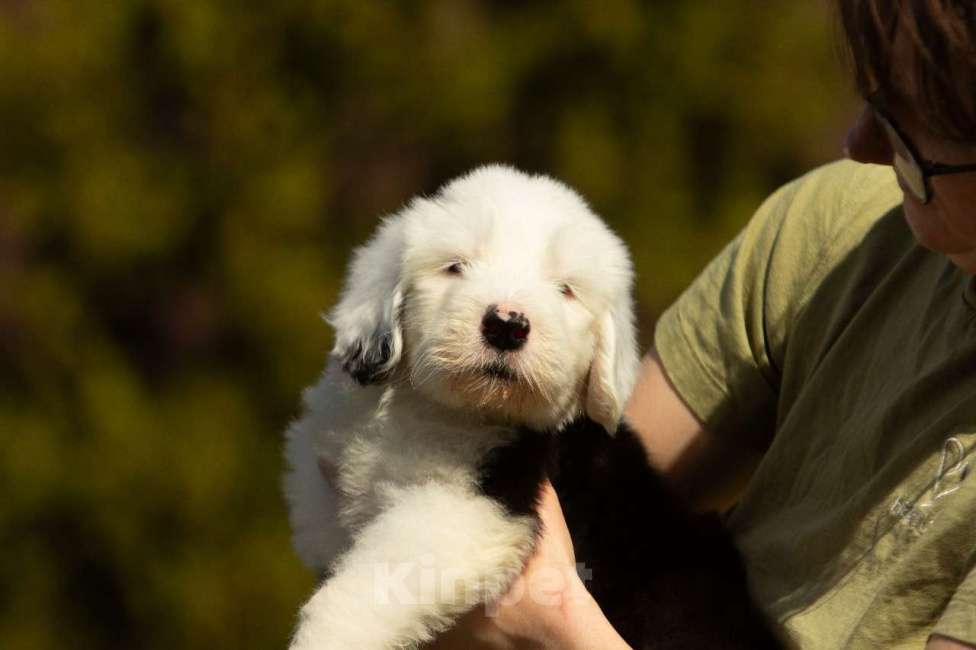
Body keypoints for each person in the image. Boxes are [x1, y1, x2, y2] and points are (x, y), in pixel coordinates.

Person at [425, 0, 976, 648]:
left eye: (909, 138)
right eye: (878, 102)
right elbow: (582, 496)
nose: (861, 146)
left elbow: (540, 596)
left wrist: (558, 624)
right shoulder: (840, 229)